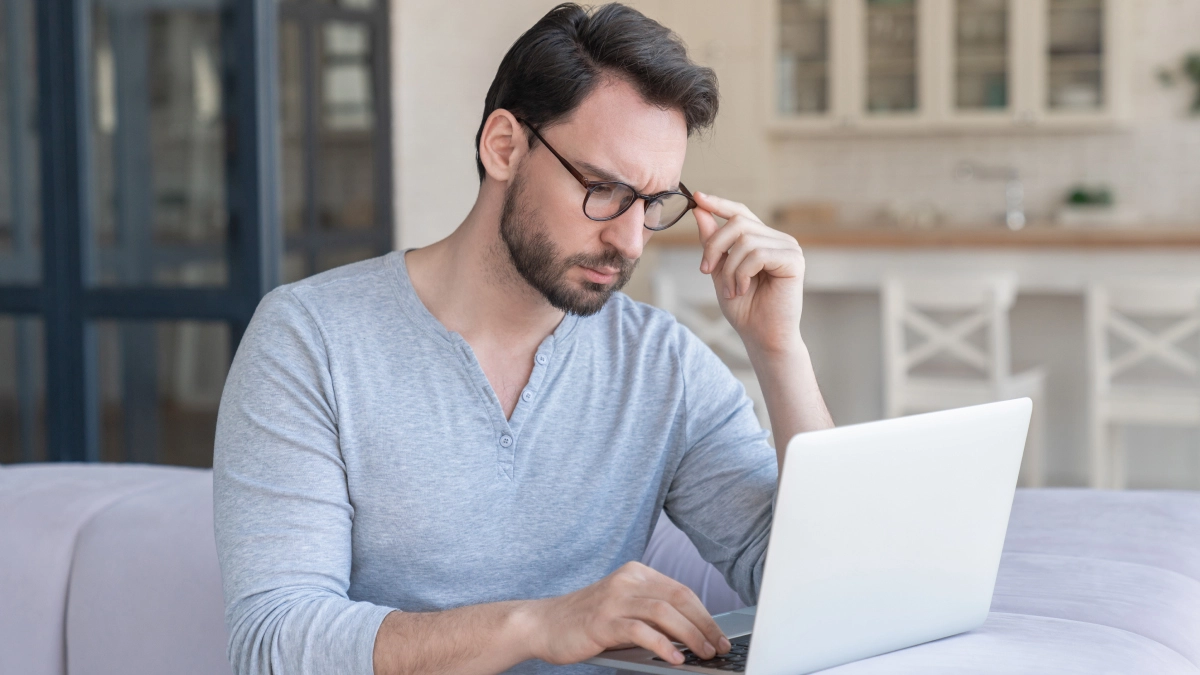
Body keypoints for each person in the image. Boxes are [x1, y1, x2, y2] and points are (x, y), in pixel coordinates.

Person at [213, 4, 833, 674]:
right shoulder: (310, 342)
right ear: (503, 146)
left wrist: (779, 352)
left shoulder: (662, 366)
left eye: (652, 204)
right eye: (603, 189)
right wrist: (540, 622)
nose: (629, 241)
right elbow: (272, 644)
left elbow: (826, 593)